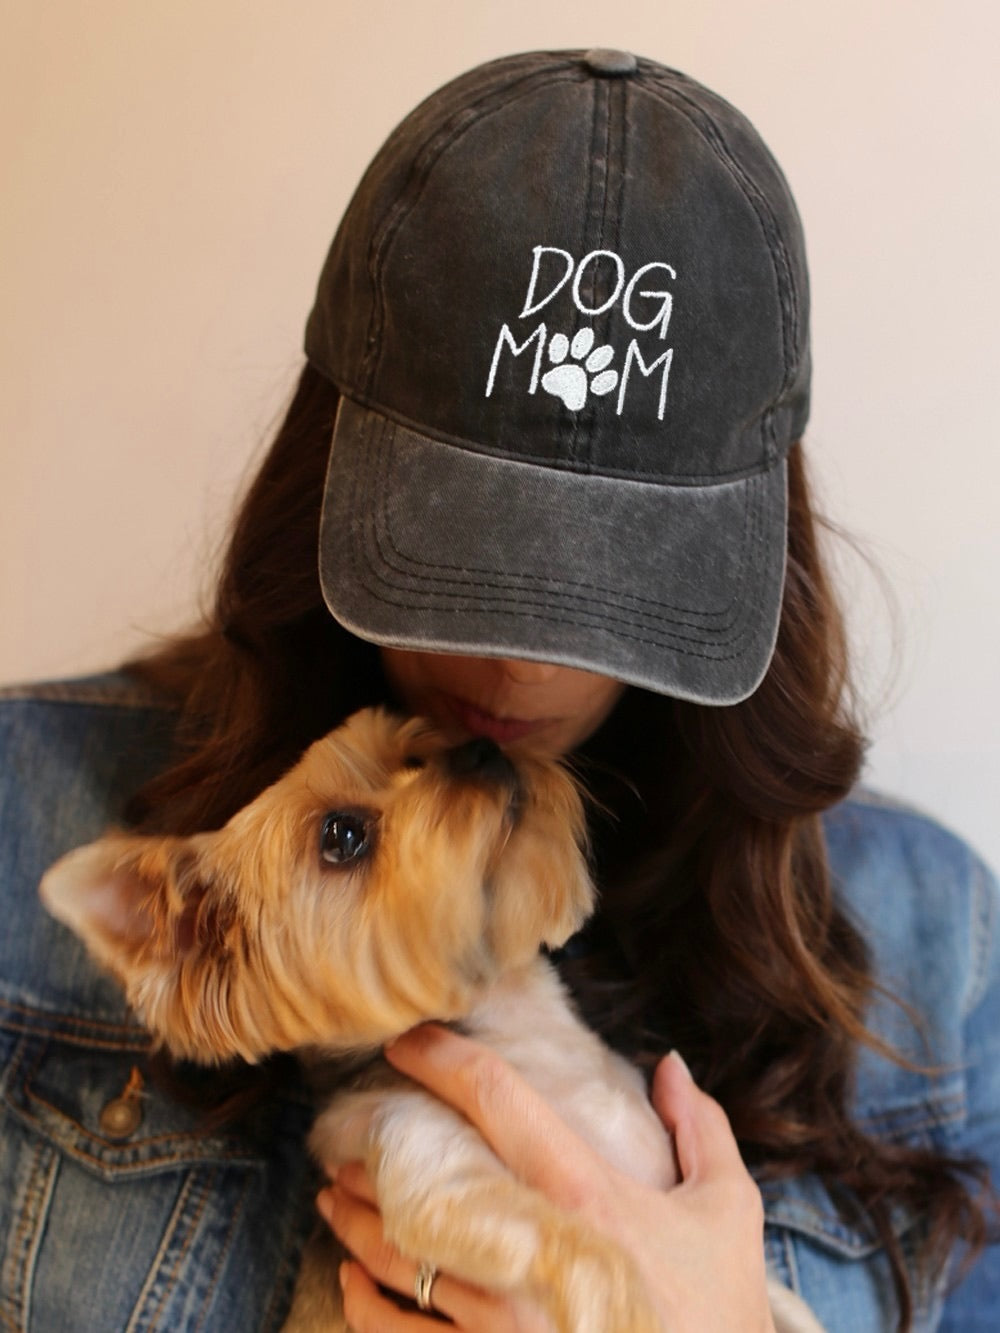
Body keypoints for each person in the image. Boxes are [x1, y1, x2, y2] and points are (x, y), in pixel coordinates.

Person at [0, 47, 996, 1333]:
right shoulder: (28, 806)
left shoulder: (939, 946)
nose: (520, 668)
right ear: (333, 477)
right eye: (465, 569)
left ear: (751, 555)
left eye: (606, 591)